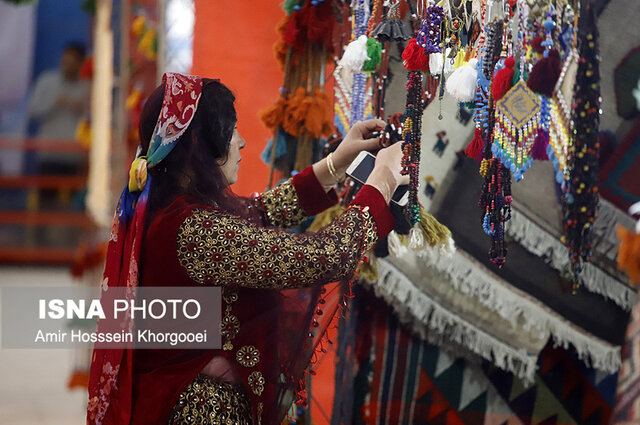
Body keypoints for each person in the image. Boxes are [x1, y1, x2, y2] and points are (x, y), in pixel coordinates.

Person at [87, 73, 408, 425]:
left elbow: (260, 213)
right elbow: (324, 257)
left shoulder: (170, 208)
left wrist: (335, 165)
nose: (241, 143)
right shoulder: (193, 230)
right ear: (198, 143)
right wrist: (382, 183)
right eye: (231, 131)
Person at [27, 42, 89, 174]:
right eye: (65, 60)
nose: (67, 65)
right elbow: (32, 111)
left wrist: (82, 107)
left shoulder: (88, 87)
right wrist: (53, 103)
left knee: (76, 194)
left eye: (72, 62)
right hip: (49, 153)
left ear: (81, 63)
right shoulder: (47, 81)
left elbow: (97, 119)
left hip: (76, 156)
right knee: (47, 194)